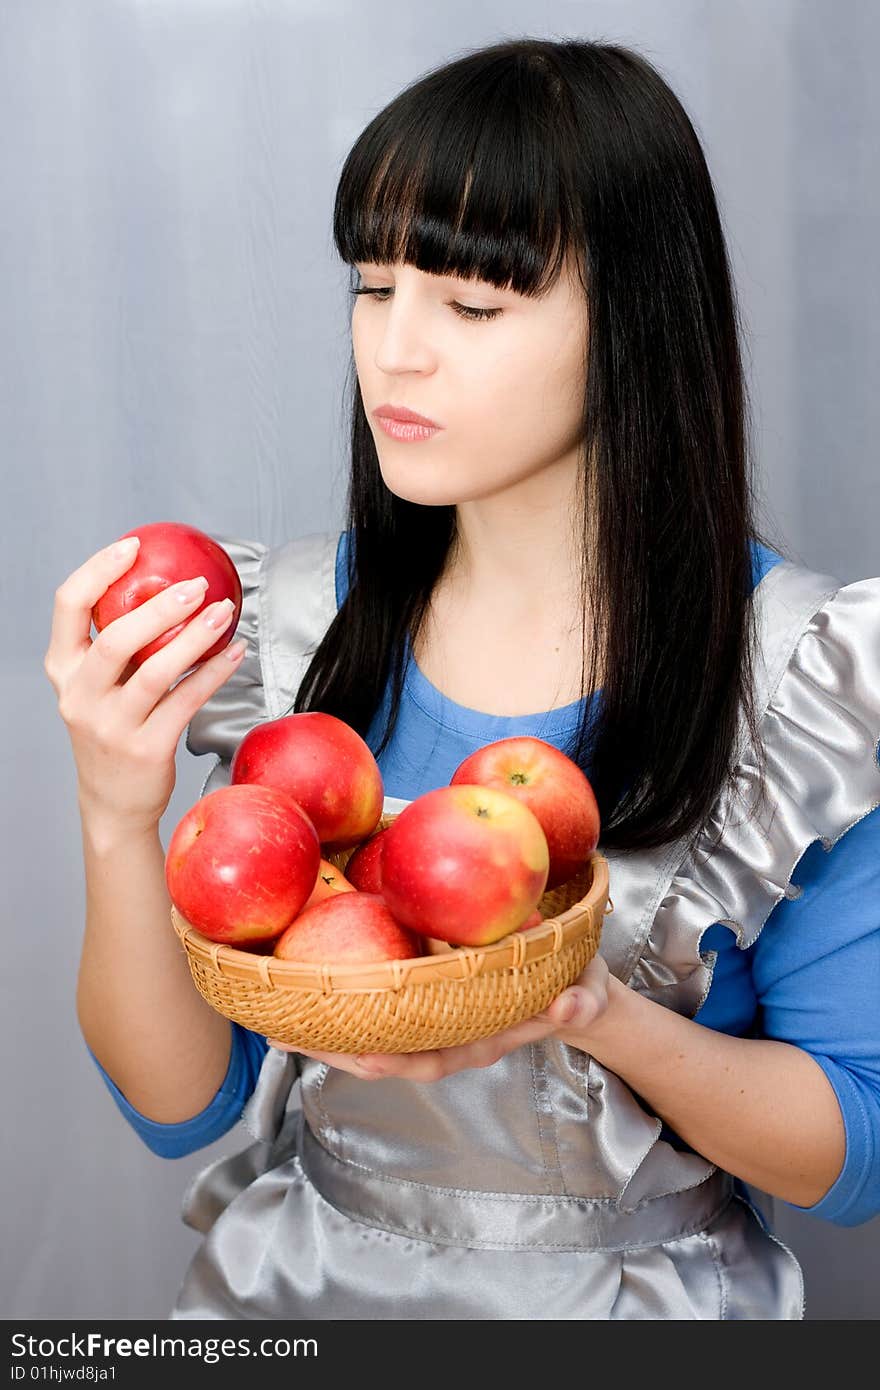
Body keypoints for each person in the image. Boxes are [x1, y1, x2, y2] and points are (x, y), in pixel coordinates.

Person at [45, 38, 880, 1321]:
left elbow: (852, 1152)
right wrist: (113, 806)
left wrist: (592, 1011)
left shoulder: (800, 675)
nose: (394, 353)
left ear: (636, 320)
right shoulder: (289, 633)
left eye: (472, 307)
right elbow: (180, 1108)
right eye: (374, 289)